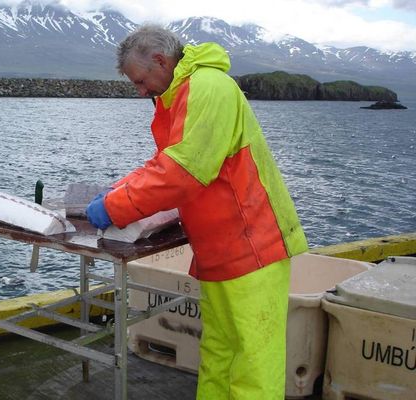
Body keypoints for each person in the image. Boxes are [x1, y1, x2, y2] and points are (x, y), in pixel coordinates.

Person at [85, 25, 308, 399]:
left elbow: (185, 171)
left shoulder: (208, 87)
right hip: (220, 250)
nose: (140, 91)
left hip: (253, 247)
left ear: (160, 61)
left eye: (141, 81)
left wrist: (114, 206)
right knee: (219, 351)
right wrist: (117, 190)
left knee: (254, 360)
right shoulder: (179, 95)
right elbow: (165, 161)